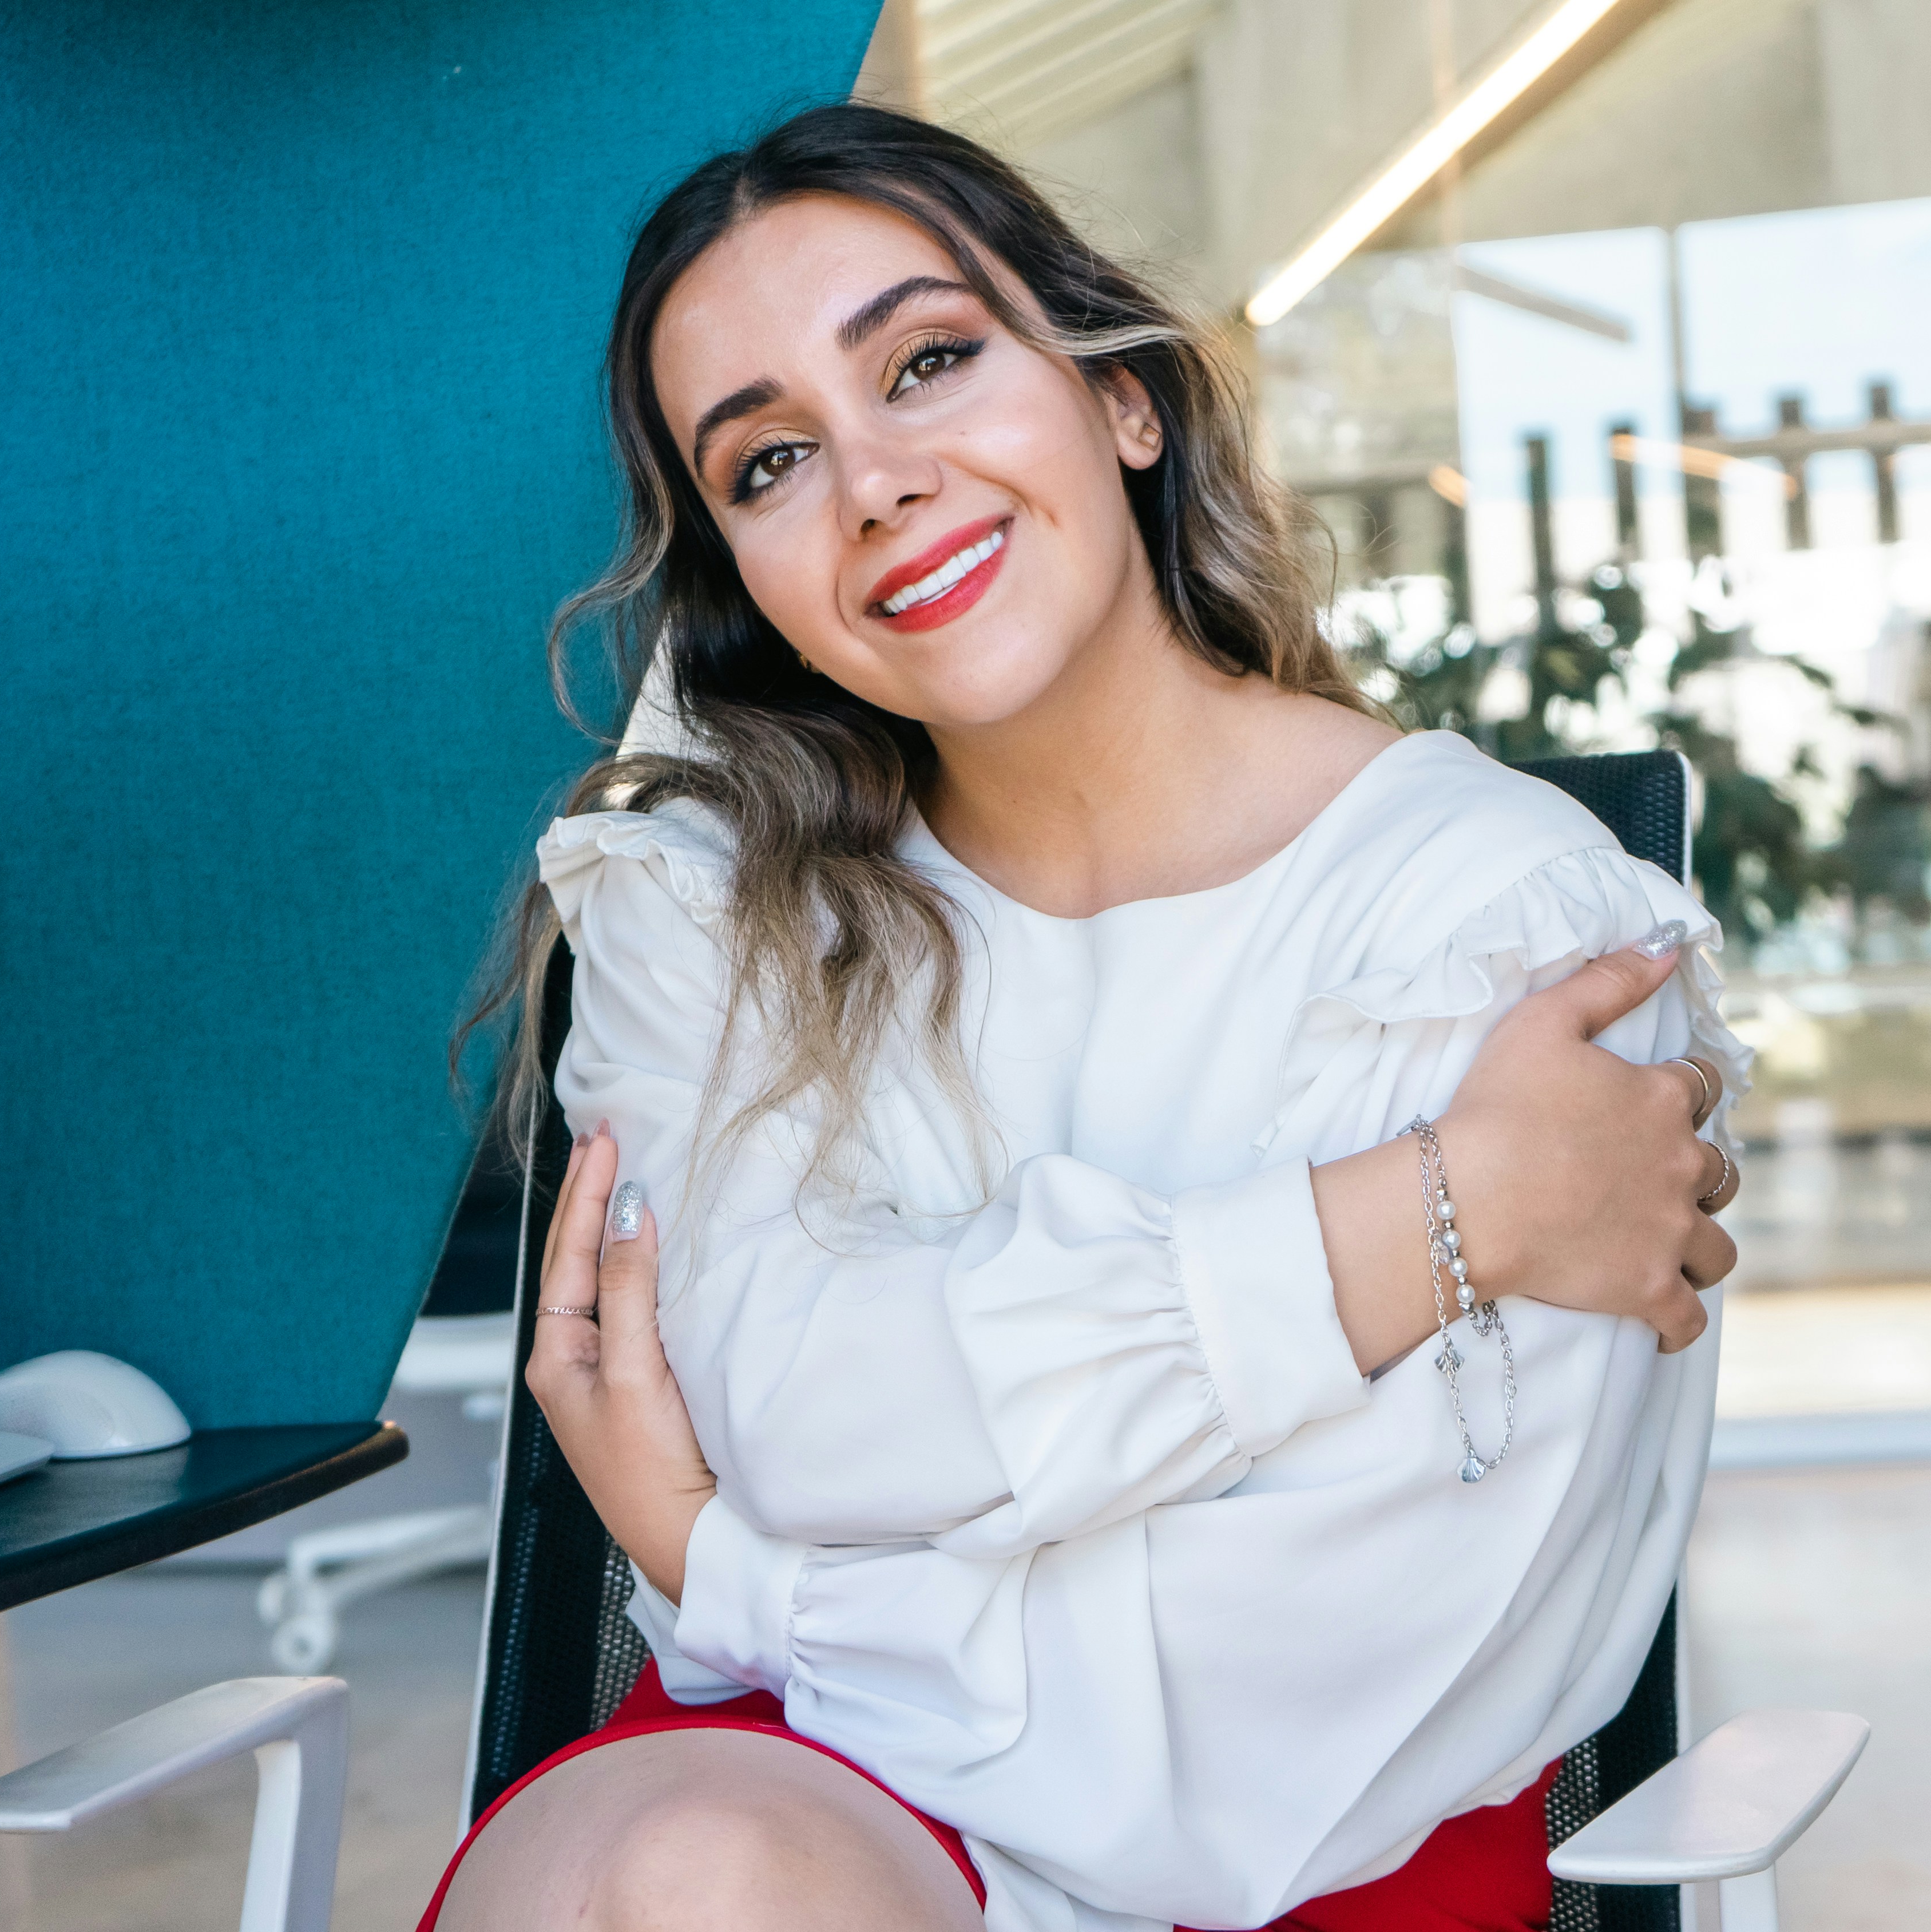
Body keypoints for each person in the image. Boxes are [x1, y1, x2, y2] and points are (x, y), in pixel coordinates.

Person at [427, 104, 1747, 1932]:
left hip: (1312, 1846)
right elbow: (795, 1416)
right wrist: (1426, 1211)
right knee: (682, 1882)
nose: (875, 479)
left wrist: (741, 1577)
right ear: (751, 589)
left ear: (1120, 400)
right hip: (810, 1790)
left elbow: (1334, 1658)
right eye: (768, 464)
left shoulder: (1505, 921)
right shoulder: (705, 909)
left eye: (930, 361)